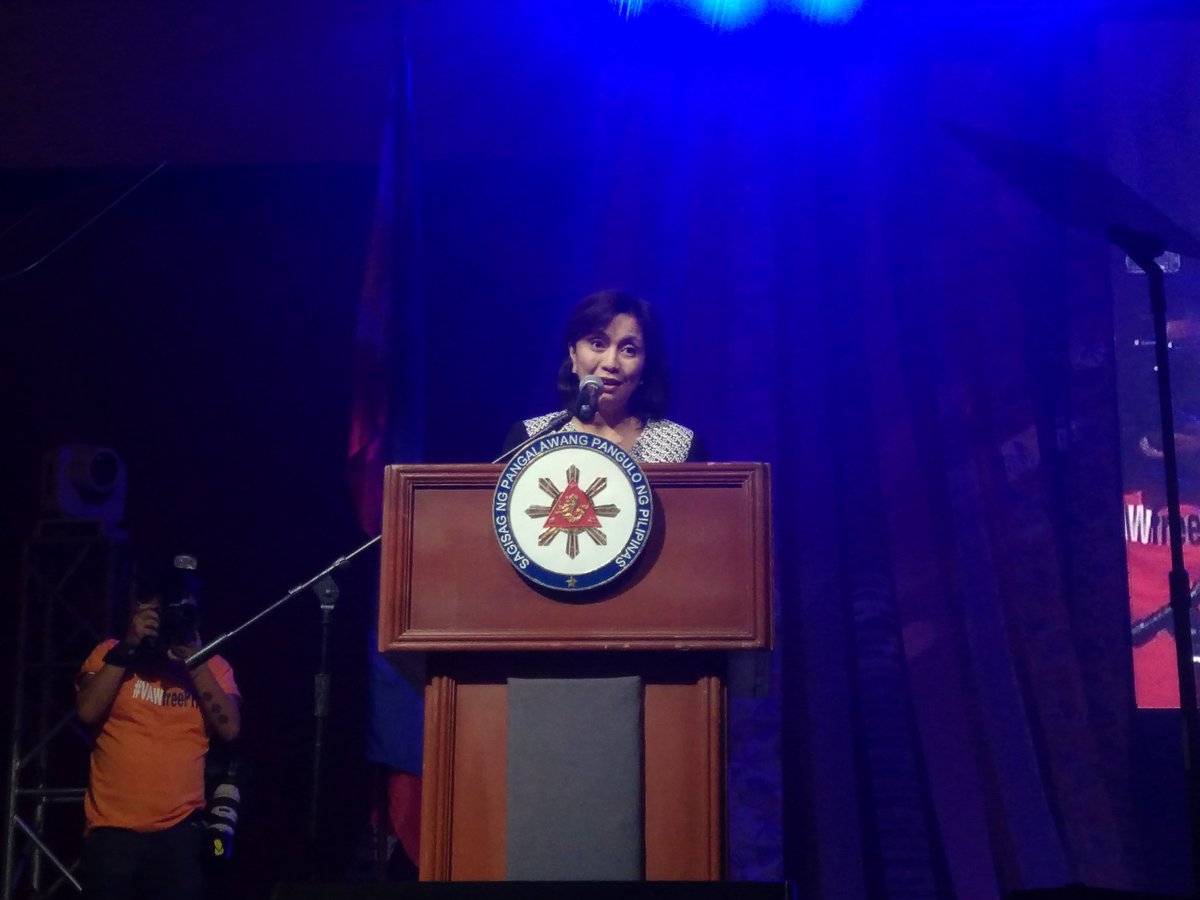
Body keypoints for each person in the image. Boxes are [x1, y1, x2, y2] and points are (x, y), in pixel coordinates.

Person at [75, 560, 241, 900]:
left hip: (179, 831)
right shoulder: (109, 653)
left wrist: (195, 663)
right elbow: (87, 711)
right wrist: (129, 645)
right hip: (111, 830)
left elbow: (230, 729)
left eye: (184, 612)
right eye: (165, 612)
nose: (173, 620)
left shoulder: (214, 666)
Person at [502, 289, 706, 463]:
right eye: (598, 344)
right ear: (573, 353)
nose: (610, 363)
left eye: (629, 350)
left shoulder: (679, 447)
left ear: (646, 363)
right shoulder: (530, 439)